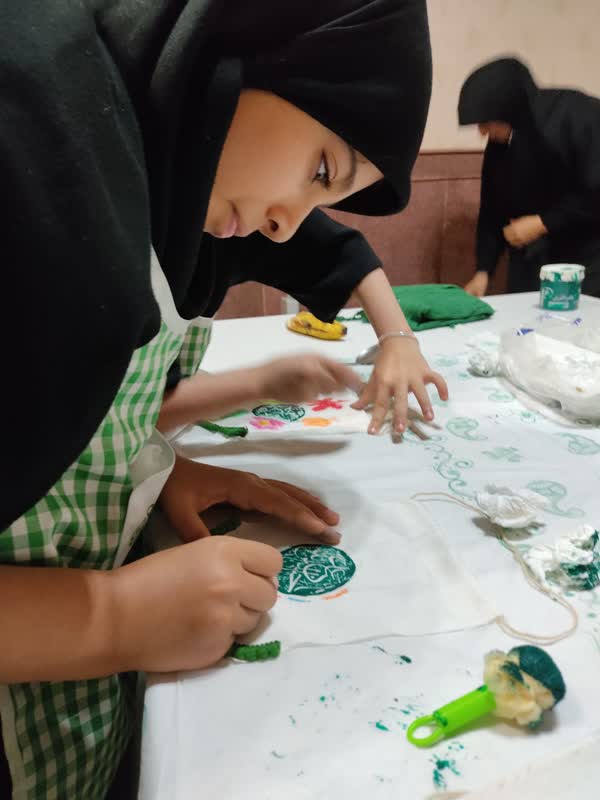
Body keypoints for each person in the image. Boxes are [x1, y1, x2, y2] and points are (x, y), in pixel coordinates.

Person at [1, 1, 439, 797]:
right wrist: (111, 619)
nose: (284, 229)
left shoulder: (161, 166)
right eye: (321, 170)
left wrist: (154, 471)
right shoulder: (32, 142)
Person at [458, 57, 600, 298]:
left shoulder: (578, 116)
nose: (482, 133)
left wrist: (542, 223)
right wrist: (483, 271)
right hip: (532, 260)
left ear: (510, 111)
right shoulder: (501, 143)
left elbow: (594, 193)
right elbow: (492, 210)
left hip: (588, 260)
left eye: (486, 123)